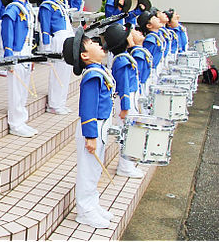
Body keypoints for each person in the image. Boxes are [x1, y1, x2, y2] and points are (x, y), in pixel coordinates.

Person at [62, 28, 114, 229]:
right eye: (91, 43)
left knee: (94, 171)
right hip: (92, 128)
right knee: (88, 170)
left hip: (101, 126)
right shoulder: (92, 74)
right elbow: (87, 107)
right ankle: (85, 211)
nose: (97, 43)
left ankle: (93, 204)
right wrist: (90, 135)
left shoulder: (99, 70)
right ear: (84, 55)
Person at [0, 0, 38, 138]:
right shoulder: (13, 8)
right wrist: (8, 56)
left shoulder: (25, 7)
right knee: (16, 88)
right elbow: (7, 32)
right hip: (16, 52)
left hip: (26, 52)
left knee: (23, 88)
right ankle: (15, 123)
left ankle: (22, 120)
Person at [102, 23, 144, 178]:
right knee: (127, 133)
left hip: (132, 98)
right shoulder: (122, 61)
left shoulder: (124, 57)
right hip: (126, 100)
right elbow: (124, 86)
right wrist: (126, 107)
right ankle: (125, 167)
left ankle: (128, 164)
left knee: (131, 132)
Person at [29, 0, 73, 115]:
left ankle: (61, 102)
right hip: (58, 38)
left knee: (66, 71)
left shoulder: (56, 2)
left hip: (67, 35)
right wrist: (47, 48)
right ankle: (54, 104)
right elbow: (45, 29)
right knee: (58, 72)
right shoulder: (45, 6)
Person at [138, 11, 164, 80]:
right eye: (154, 18)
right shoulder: (150, 40)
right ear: (149, 25)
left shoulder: (157, 36)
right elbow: (147, 58)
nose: (158, 19)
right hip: (151, 72)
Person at [129, 28, 153, 99]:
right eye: (135, 32)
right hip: (141, 85)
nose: (139, 32)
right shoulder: (137, 54)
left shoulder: (141, 51)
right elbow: (138, 74)